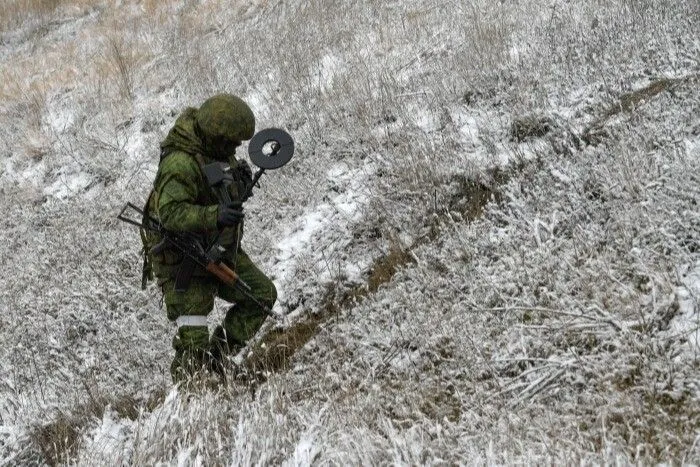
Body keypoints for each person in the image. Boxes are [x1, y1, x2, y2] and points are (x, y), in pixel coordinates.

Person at [141, 93, 277, 383]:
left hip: (218, 248)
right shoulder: (179, 164)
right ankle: (188, 398)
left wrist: (237, 183)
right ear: (216, 136)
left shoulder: (214, 149)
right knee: (193, 343)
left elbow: (217, 184)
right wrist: (214, 215)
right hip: (183, 259)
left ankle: (216, 363)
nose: (235, 148)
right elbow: (171, 214)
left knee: (261, 296)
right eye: (231, 144)